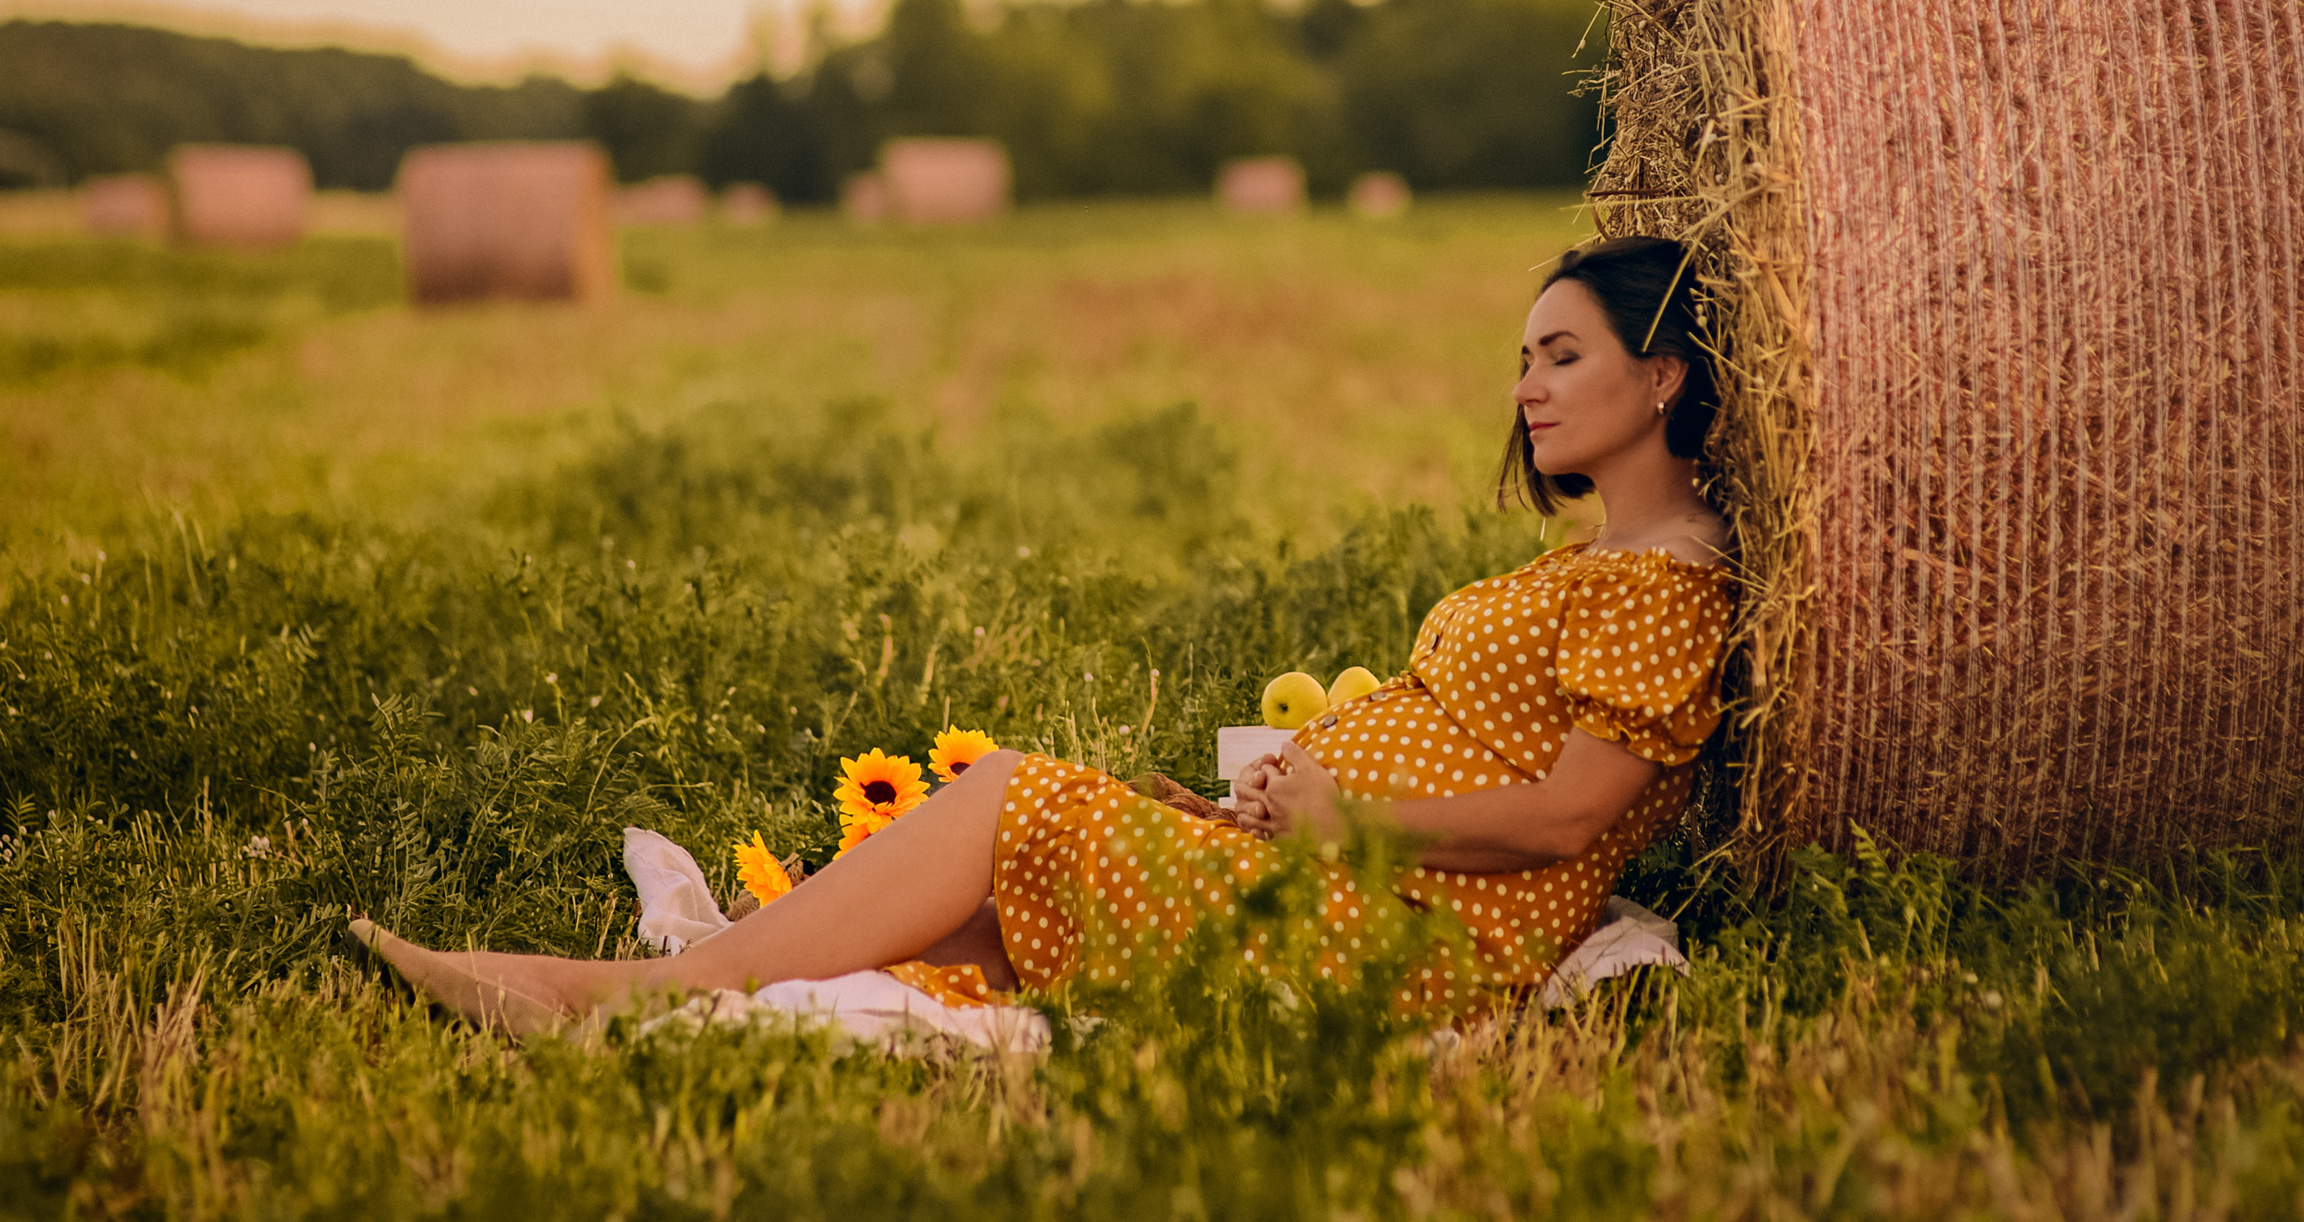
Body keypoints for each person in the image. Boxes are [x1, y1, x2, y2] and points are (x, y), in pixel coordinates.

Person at [351, 235, 1733, 1036]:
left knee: (1013, 792)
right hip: (1360, 881)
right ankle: (708, 1004)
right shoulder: (1599, 557)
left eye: (1564, 355)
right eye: (1523, 356)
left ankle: (621, 1002)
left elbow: (1566, 824)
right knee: (980, 919)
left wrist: (1345, 815)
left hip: (1415, 934)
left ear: (1660, 374)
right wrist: (1260, 814)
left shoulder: (1666, 583)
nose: (1529, 386)